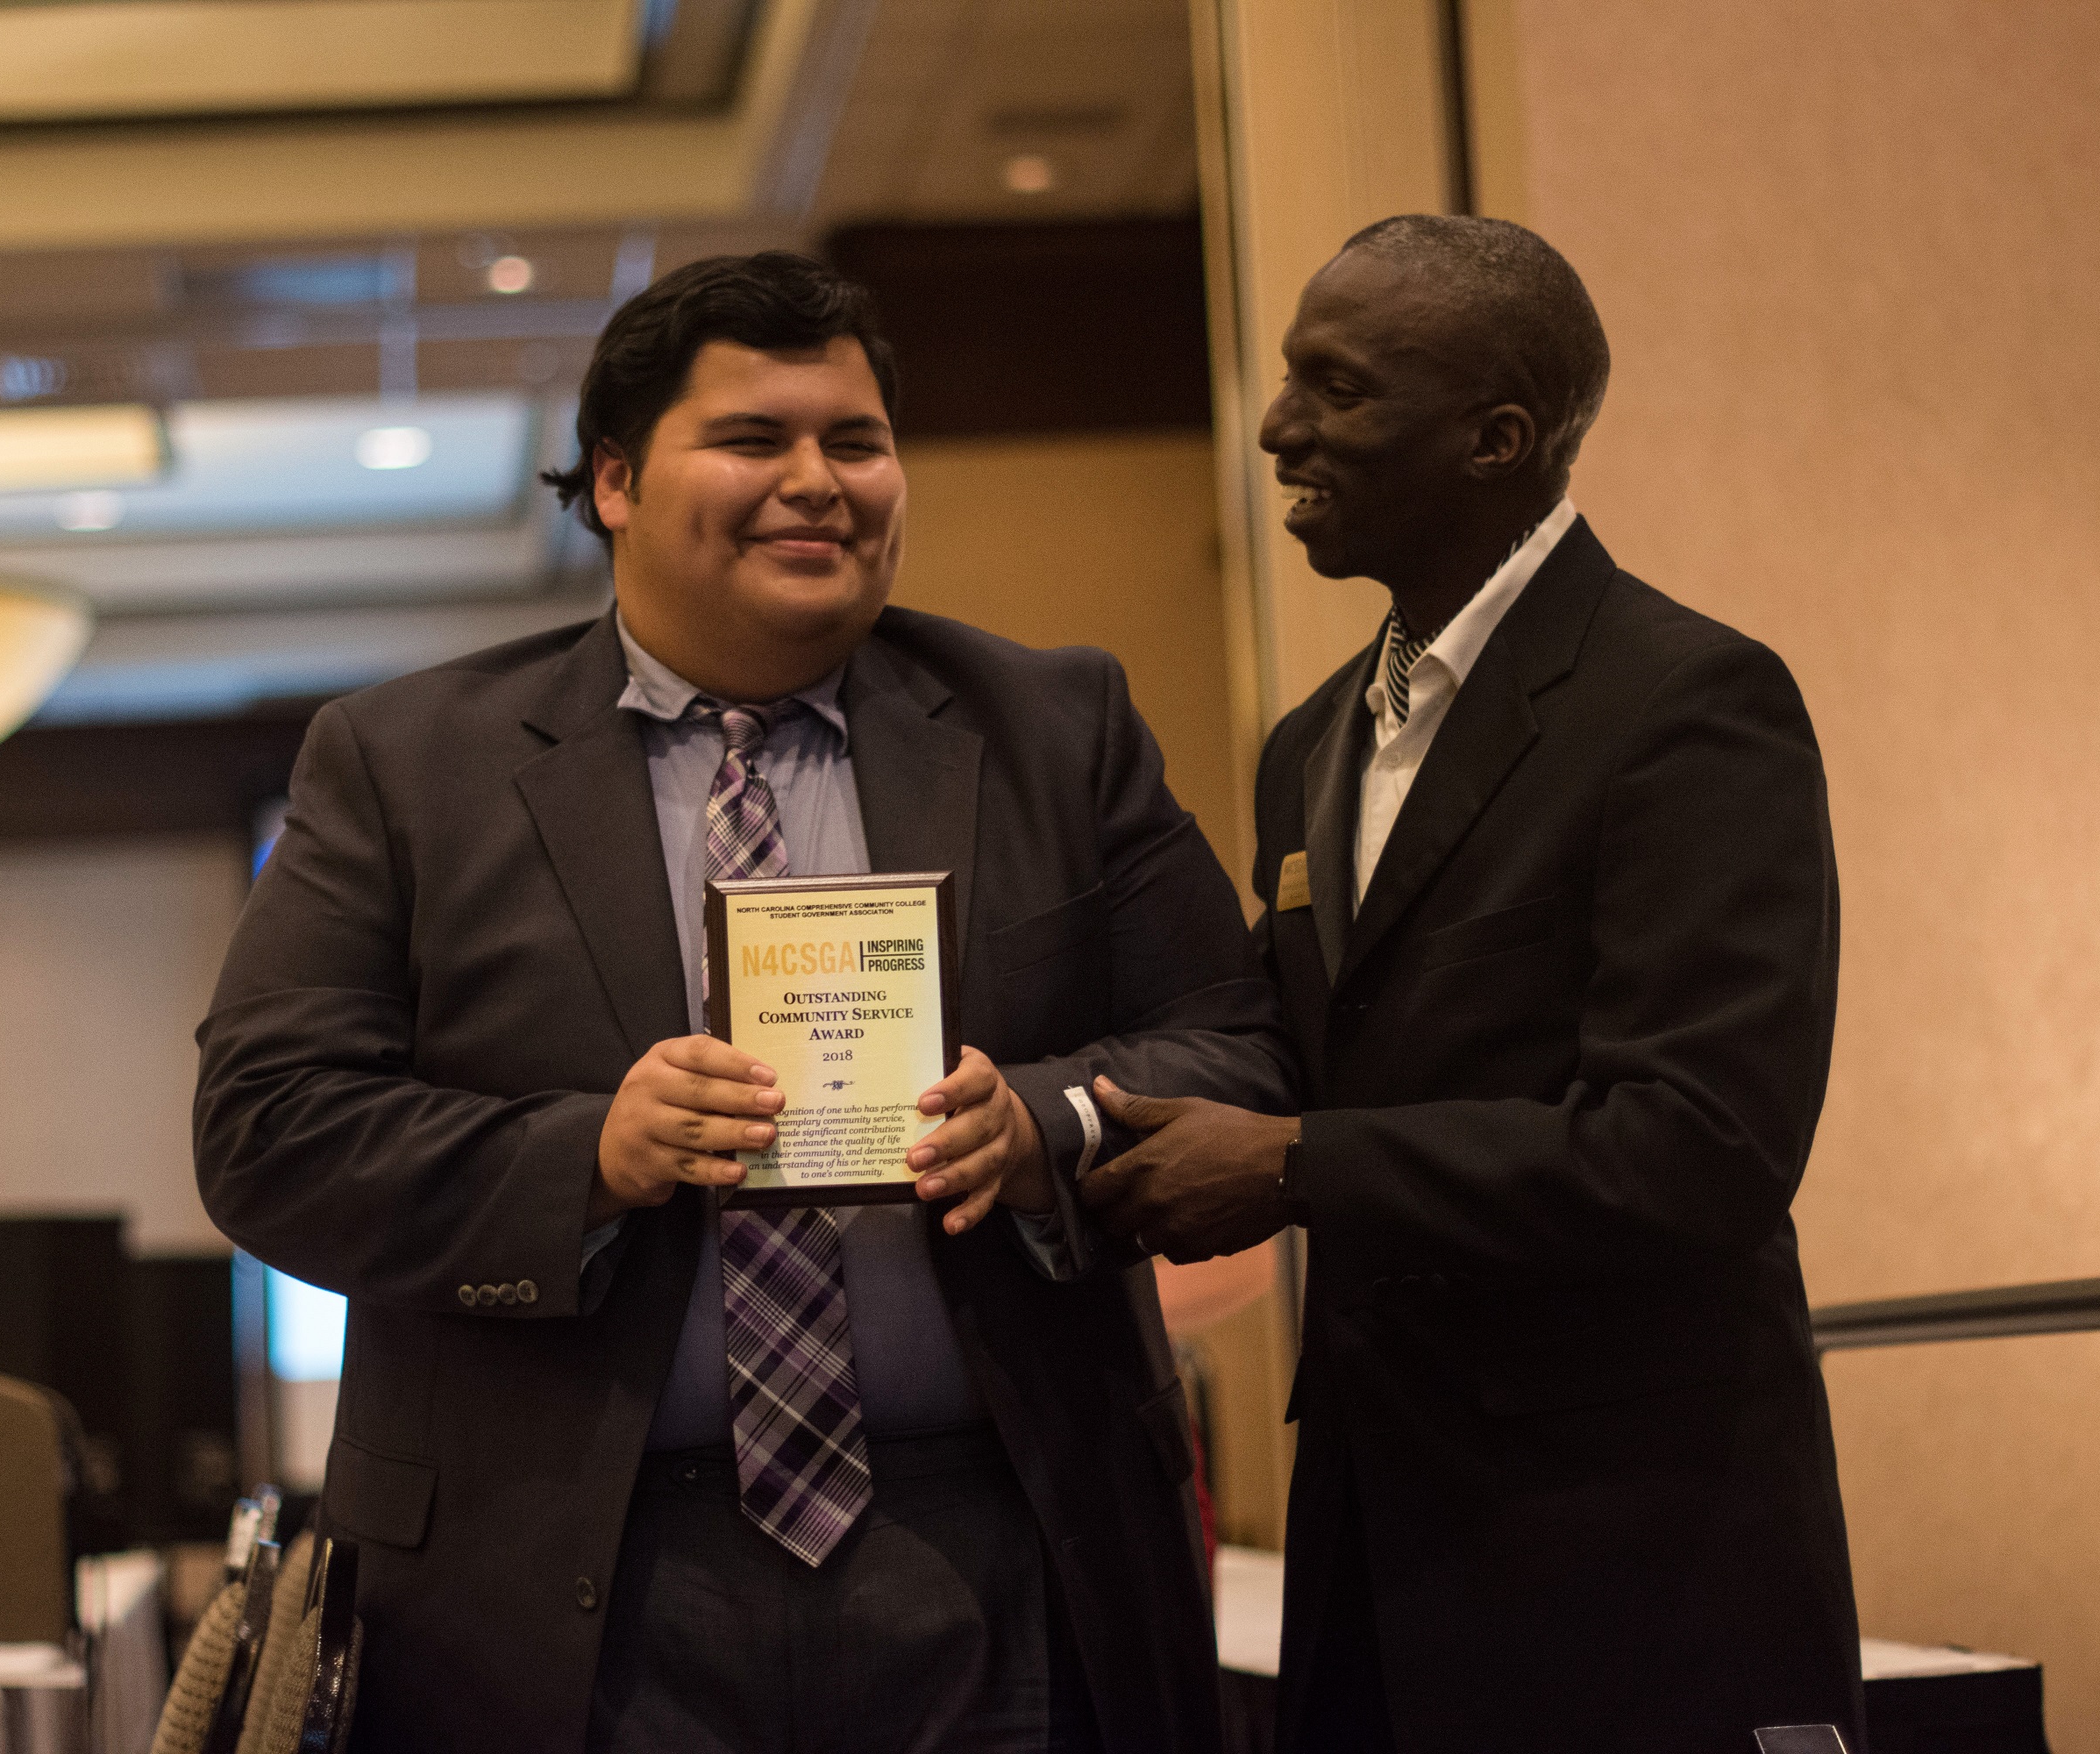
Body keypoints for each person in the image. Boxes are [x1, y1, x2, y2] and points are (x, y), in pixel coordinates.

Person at [194, 250, 1286, 1753]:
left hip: (1004, 1546)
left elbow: (1239, 1047)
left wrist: (1052, 1121)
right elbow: (269, 1132)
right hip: (561, 1579)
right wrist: (585, 1156)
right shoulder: (407, 767)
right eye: (755, 440)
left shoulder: (1053, 726)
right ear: (617, 479)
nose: (819, 482)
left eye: (858, 441)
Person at [1082, 216, 1863, 1751]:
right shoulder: (1314, 744)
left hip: (1635, 1572)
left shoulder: (1690, 705)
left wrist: (1299, 1166)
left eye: (1340, 388)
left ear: (1498, 437)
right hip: (1379, 1547)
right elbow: (1292, 1053)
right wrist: (1052, 1112)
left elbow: (1697, 1149)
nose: (1278, 425)